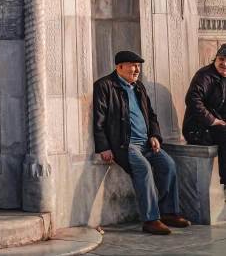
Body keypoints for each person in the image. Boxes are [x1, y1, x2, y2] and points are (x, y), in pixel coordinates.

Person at [93, 50, 191, 235]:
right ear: (120, 66)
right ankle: (151, 219)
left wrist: (154, 135)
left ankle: (168, 212)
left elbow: (151, 116)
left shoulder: (138, 87)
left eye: (138, 66)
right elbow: (99, 120)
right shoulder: (105, 86)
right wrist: (104, 147)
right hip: (126, 145)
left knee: (168, 164)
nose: (137, 69)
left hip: (146, 143)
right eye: (133, 65)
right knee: (144, 169)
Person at [183, 43, 226, 199]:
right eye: (221, 59)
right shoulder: (205, 75)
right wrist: (212, 120)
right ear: (215, 59)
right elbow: (192, 99)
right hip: (198, 128)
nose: (224, 64)